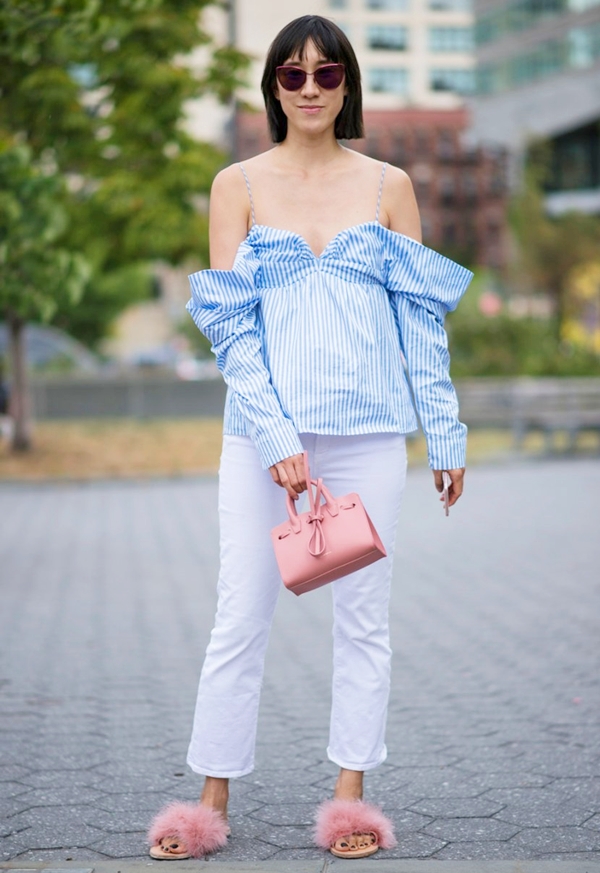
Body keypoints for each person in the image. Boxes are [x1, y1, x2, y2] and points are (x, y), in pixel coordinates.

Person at [148, 14, 472, 862]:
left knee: (363, 622)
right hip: (263, 442)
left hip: (370, 435)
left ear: (347, 84)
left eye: (326, 75)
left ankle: (349, 799)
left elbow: (422, 327)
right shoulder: (238, 185)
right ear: (273, 87)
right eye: (292, 75)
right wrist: (274, 433)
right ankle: (208, 801)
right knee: (240, 612)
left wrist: (445, 431)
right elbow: (231, 328)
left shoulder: (388, 185)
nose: (310, 90)